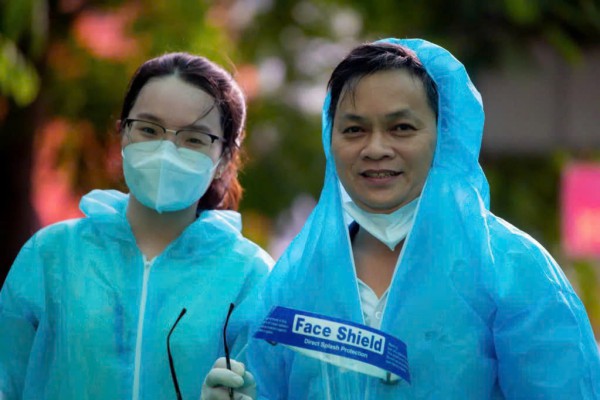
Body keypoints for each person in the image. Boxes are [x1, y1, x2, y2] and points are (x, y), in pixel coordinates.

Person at [203, 38, 600, 399]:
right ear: (331, 139)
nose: (376, 148)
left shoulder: (511, 270)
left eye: (401, 128)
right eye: (354, 130)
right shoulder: (293, 284)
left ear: (443, 136)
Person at [0, 52, 273, 399]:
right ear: (123, 134)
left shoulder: (251, 277)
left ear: (224, 158)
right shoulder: (52, 255)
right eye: (149, 130)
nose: (166, 150)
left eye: (193, 138)